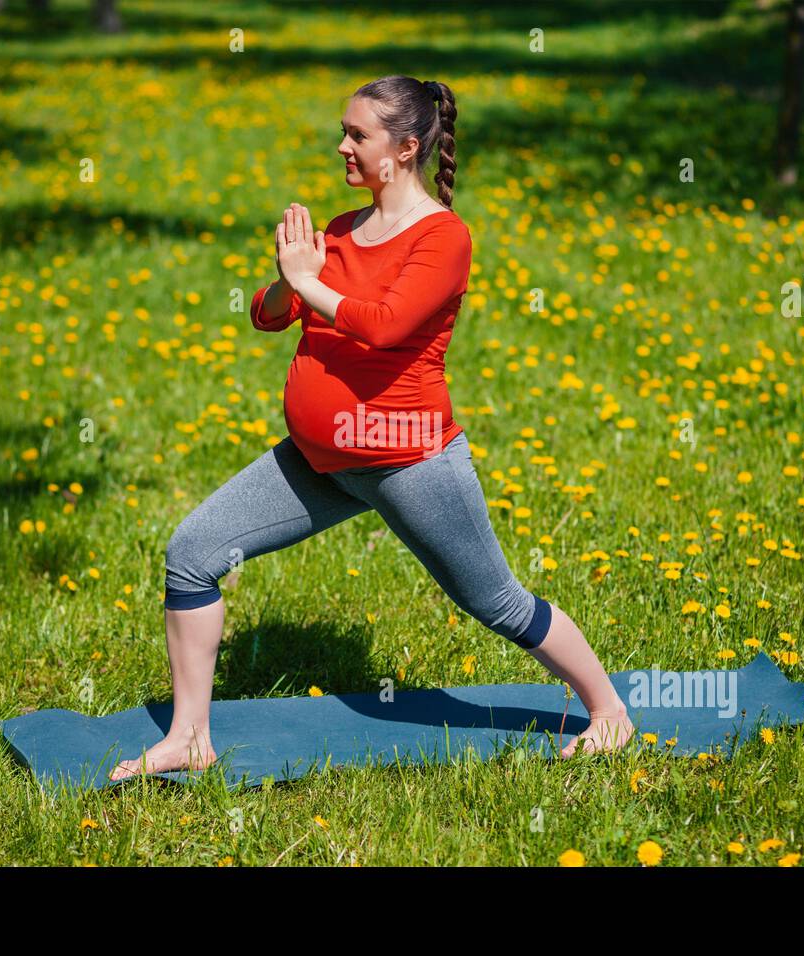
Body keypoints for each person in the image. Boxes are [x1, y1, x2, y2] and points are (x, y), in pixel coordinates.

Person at [110, 76, 633, 781]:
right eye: (345, 131)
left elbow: (386, 328)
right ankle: (189, 737)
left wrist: (312, 282)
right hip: (320, 460)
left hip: (408, 462)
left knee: (496, 600)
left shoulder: (443, 238)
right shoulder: (342, 228)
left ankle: (608, 711)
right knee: (193, 553)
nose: (342, 146)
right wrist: (287, 277)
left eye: (359, 135)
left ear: (406, 148)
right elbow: (271, 316)